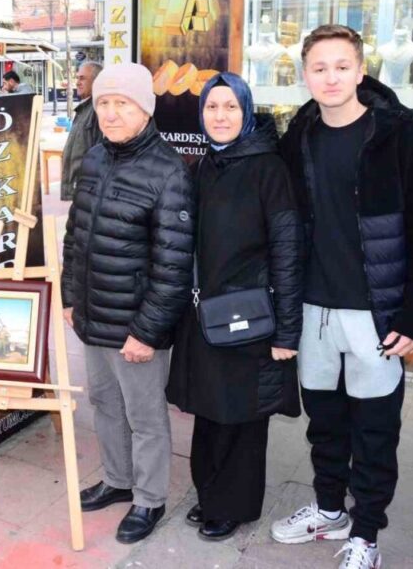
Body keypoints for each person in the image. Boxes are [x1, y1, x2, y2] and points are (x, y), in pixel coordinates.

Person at [271, 25, 413, 569]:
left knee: (374, 430)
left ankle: (367, 534)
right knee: (325, 424)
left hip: (377, 316)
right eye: (319, 68)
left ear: (360, 71)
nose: (330, 77)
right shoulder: (297, 138)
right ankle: (330, 510)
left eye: (341, 66)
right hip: (314, 312)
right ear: (305, 75)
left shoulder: (400, 137)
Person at [166, 72, 303, 541]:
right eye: (212, 107)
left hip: (251, 317)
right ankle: (210, 495)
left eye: (231, 107)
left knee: (241, 416)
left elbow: (288, 251)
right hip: (205, 315)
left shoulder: (268, 169)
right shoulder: (206, 164)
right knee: (209, 410)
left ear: (246, 113)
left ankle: (233, 505)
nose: (220, 116)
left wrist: (287, 332)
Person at [61, 63, 194, 544]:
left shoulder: (169, 171)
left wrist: (147, 332)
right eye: (104, 103)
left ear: (145, 110)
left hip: (136, 325)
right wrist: (70, 297)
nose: (111, 113)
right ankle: (117, 480)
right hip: (94, 314)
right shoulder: (96, 157)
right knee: (104, 403)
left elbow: (174, 265)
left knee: (145, 417)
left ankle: (149, 498)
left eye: (123, 103)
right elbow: (75, 234)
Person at [60, 60, 104, 201]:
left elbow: (102, 155)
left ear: (97, 82)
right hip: (80, 189)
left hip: (90, 192)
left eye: (82, 78)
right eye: (77, 78)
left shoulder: (98, 110)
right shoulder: (85, 109)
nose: (78, 82)